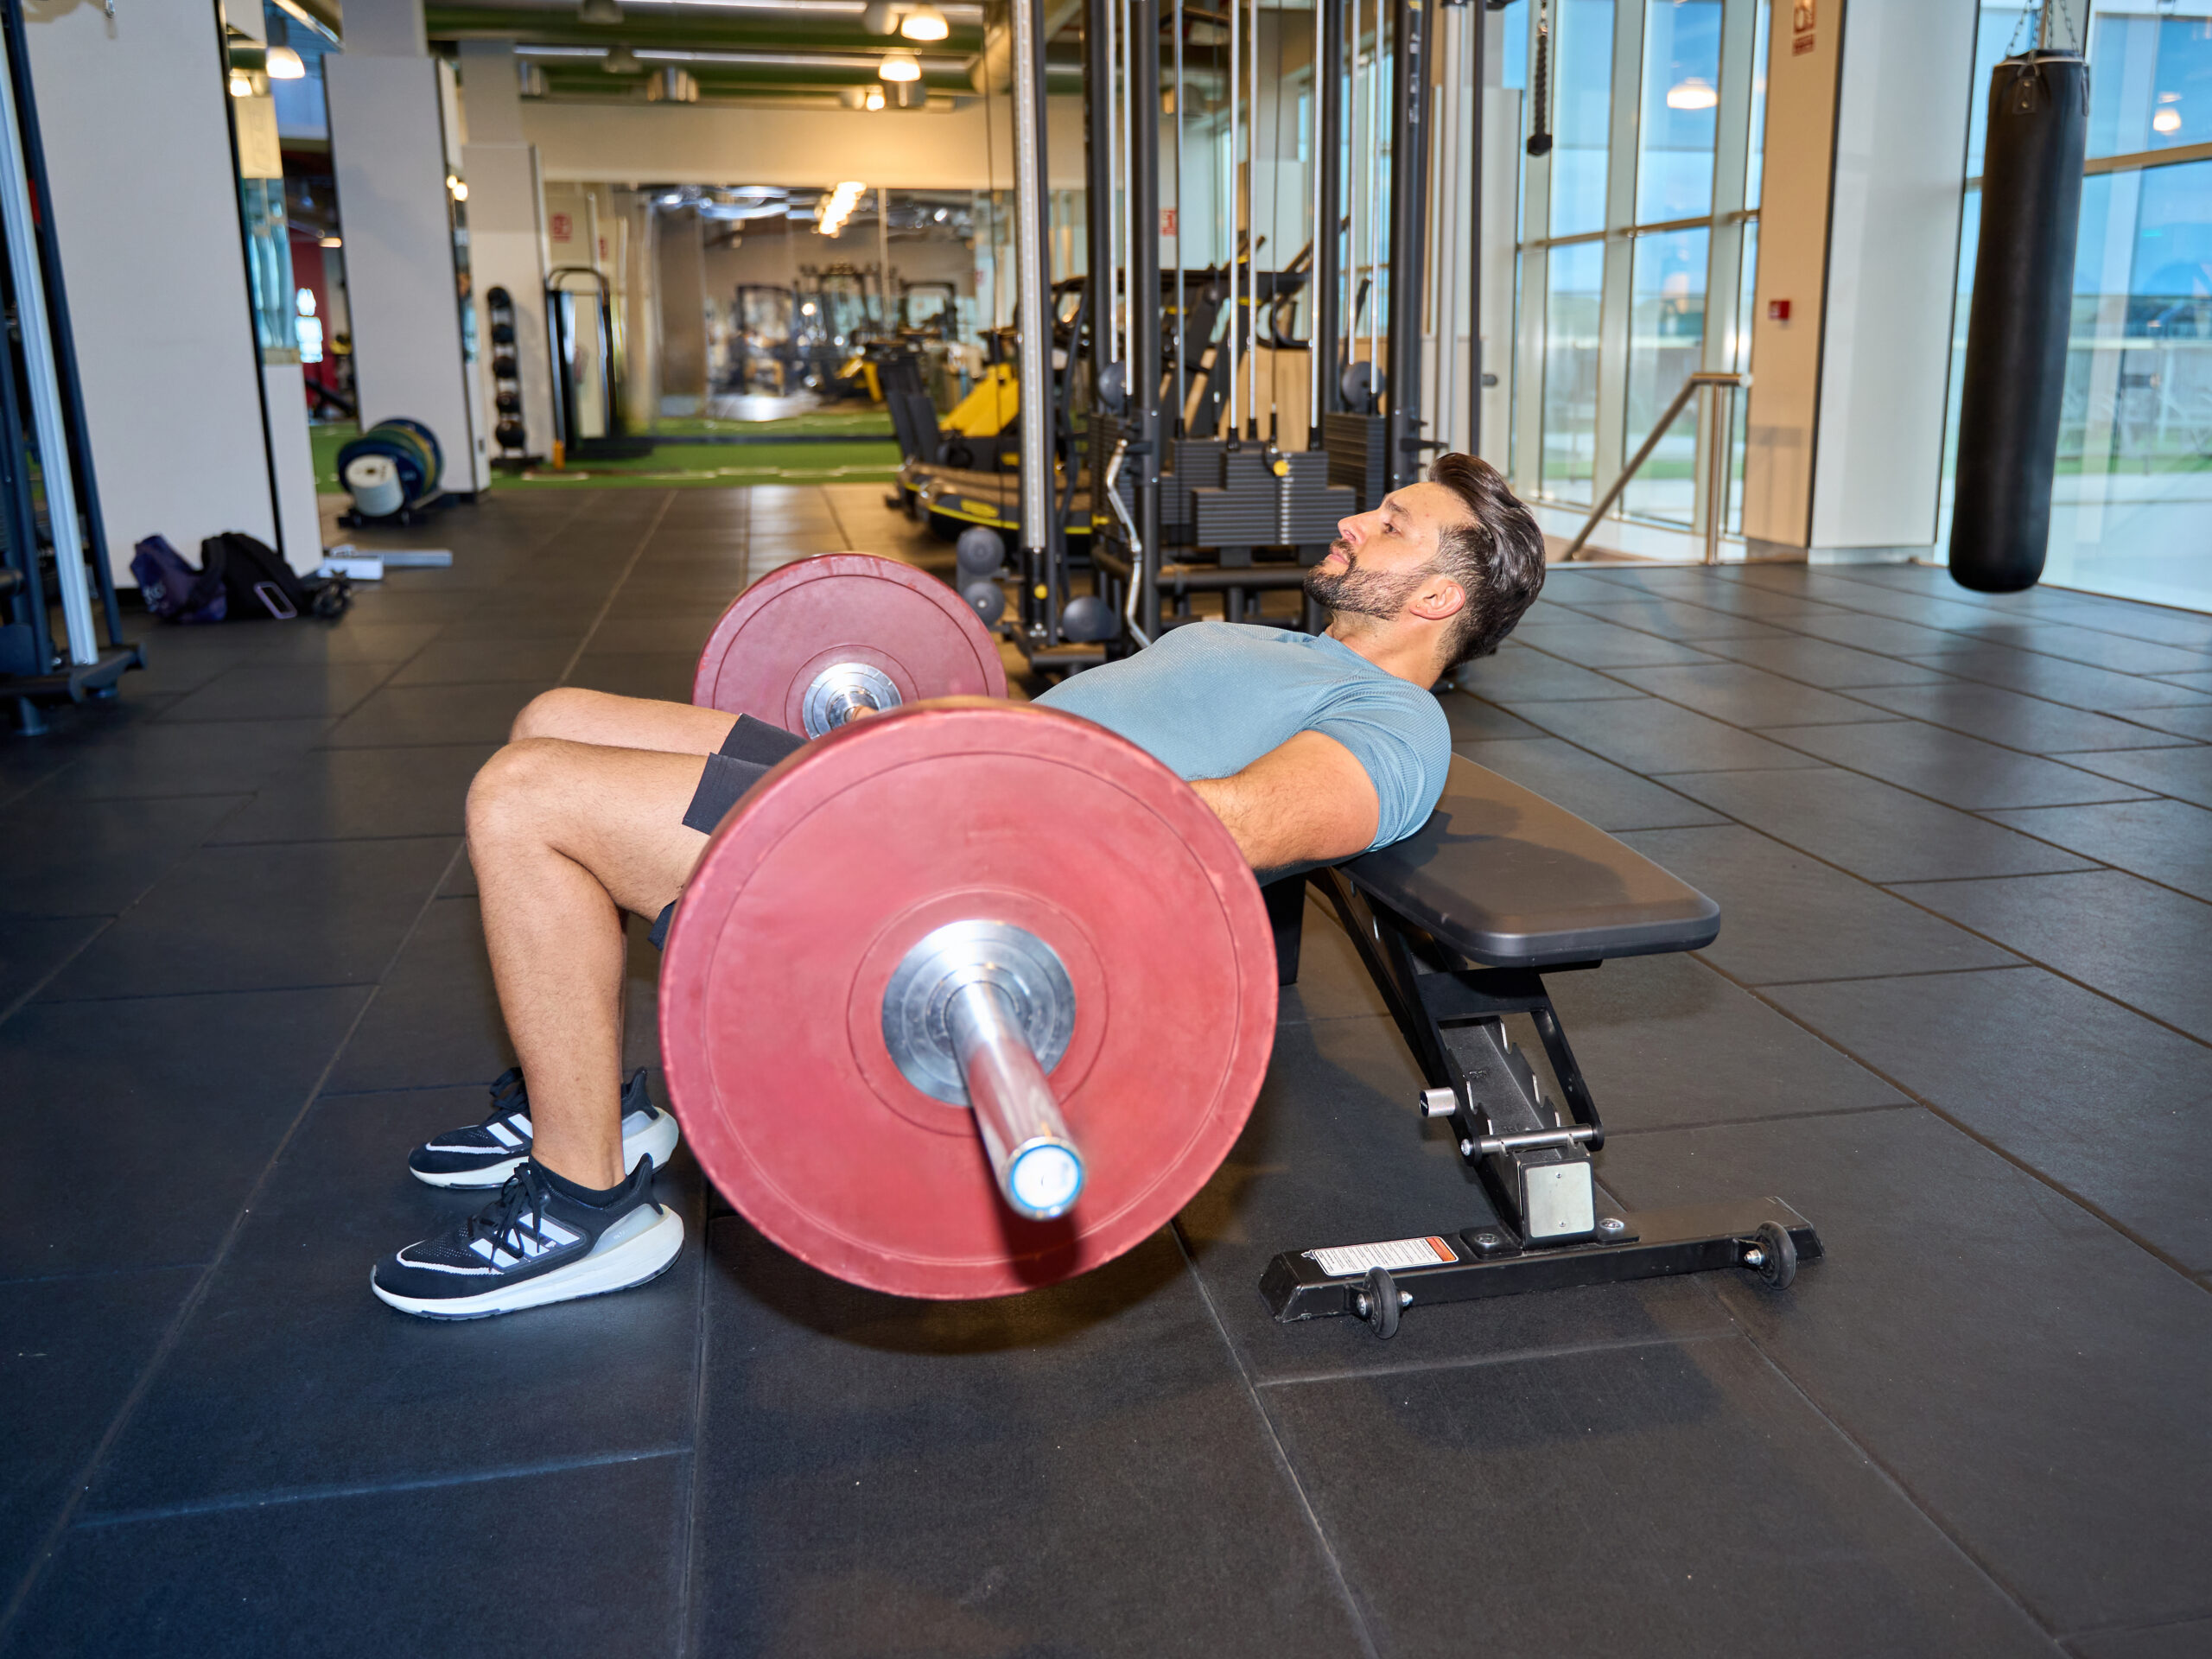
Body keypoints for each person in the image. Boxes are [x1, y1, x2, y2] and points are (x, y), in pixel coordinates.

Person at [370, 453, 1547, 1319]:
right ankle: (597, 1101)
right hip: (934, 779)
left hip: (952, 853)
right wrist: (953, 729)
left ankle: (585, 1201)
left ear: (1439, 599)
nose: (1354, 521)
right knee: (553, 717)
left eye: (1391, 526)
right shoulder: (1290, 646)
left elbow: (1224, 825)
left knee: (522, 798)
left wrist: (973, 746)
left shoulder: (1394, 728)